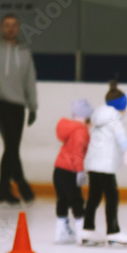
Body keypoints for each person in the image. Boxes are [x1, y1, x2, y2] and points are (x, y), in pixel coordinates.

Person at [0, 13, 38, 205]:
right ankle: (20, 183)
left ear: (18, 28)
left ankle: (3, 189)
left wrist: (32, 106)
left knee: (12, 147)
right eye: (6, 25)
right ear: (1, 28)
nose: (10, 29)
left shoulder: (24, 53)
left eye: (13, 25)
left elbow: (30, 81)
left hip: (18, 105)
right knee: (11, 145)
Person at [80, 81, 127, 247]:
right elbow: (121, 138)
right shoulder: (115, 120)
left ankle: (87, 229)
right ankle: (113, 232)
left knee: (94, 196)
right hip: (105, 165)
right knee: (112, 196)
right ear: (121, 106)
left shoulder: (98, 118)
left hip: (93, 164)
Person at [53, 99, 93, 244]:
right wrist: (80, 171)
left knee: (62, 201)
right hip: (70, 171)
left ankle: (60, 232)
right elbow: (78, 153)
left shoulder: (69, 128)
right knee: (77, 201)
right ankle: (82, 234)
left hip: (58, 169)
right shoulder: (81, 131)